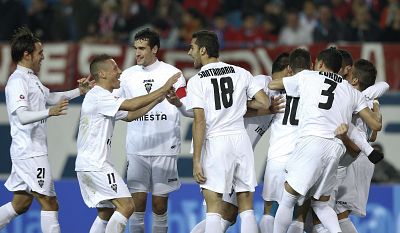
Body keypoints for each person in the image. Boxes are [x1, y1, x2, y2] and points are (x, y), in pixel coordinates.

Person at [167, 53, 288, 233]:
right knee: (223, 211)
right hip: (224, 147)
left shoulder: (284, 94)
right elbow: (230, 107)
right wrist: (265, 109)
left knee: (229, 214)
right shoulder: (263, 82)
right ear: (289, 70)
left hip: (236, 149)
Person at [268, 47, 381, 233]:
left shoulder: (308, 77)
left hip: (312, 141)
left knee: (288, 197)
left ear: (320, 63)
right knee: (321, 205)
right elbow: (375, 125)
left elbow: (274, 85)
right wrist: (375, 104)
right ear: (340, 69)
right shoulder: (351, 91)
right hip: (335, 148)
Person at [0, 27, 91, 233]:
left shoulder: (31, 78)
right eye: (40, 53)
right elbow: (22, 116)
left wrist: (80, 91)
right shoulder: (17, 81)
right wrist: (50, 113)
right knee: (50, 203)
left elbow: (50, 98)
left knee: (21, 204)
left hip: (31, 150)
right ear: (26, 54)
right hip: (30, 152)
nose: (43, 57)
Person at [75, 54, 180, 233]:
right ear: (103, 74)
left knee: (106, 212)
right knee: (127, 206)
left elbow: (130, 116)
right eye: (115, 69)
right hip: (96, 165)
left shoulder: (102, 98)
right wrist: (162, 89)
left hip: (88, 165)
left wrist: (156, 100)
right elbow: (131, 105)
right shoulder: (100, 96)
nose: (120, 72)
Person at [186, 30, 270, 233]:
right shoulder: (241, 72)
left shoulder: (197, 81)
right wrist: (240, 106)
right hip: (240, 139)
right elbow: (264, 102)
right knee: (246, 206)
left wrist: (196, 160)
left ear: (203, 50)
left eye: (193, 48)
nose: (189, 53)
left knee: (214, 208)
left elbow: (199, 121)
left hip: (216, 142)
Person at [117, 28, 186, 233]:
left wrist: (177, 100)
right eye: (135, 48)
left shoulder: (173, 74)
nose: (137, 53)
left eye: (142, 48)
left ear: (155, 49)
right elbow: (113, 103)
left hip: (165, 146)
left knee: (159, 206)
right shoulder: (127, 76)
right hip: (137, 147)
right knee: (136, 206)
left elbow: (184, 99)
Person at [314, 59, 389, 233]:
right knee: (338, 214)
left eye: (348, 73)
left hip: (352, 159)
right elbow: (375, 132)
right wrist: (376, 104)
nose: (344, 74)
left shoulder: (351, 97)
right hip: (362, 159)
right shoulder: (369, 100)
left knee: (329, 213)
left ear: (355, 80)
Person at [260, 48, 313, 233]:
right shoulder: (314, 89)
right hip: (301, 158)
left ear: (290, 68)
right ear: (312, 66)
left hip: (277, 156)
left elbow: (271, 85)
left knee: (268, 209)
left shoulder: (277, 88)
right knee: (299, 213)